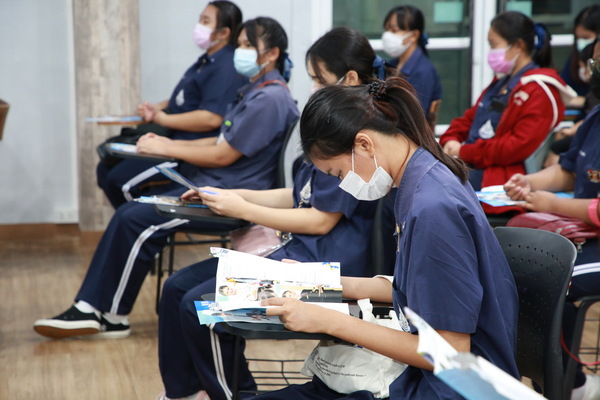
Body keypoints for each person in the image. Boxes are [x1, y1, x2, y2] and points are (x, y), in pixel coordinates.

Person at [155, 26, 391, 400]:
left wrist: (245, 208)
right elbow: (299, 196)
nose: (313, 87)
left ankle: (235, 394)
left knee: (201, 308)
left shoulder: (353, 140)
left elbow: (320, 219)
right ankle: (184, 391)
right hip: (298, 251)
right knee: (176, 288)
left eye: (319, 79)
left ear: (349, 79)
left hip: (324, 266)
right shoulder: (336, 127)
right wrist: (230, 195)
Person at [248, 77, 519, 400]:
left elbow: (450, 351)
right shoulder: (420, 179)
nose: (343, 184)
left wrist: (328, 320)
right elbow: (416, 290)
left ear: (364, 145)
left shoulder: (431, 208)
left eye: (338, 173)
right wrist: (325, 283)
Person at [33, 16, 299, 340]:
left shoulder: (270, 99)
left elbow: (223, 155)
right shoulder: (255, 91)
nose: (239, 51)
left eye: (247, 45)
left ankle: (105, 314)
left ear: (271, 53)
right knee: (130, 209)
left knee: (135, 218)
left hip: (229, 198)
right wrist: (164, 144)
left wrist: (168, 147)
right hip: (210, 186)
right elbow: (220, 141)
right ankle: (97, 309)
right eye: (240, 44)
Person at [504, 37, 600, 400]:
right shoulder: (595, 119)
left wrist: (553, 204)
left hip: (593, 239)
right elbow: (568, 171)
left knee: (551, 280)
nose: (593, 71)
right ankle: (558, 382)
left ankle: (570, 386)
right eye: (594, 63)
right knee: (513, 271)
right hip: (585, 236)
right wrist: (530, 183)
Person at [96, 1, 247, 209]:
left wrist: (163, 119)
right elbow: (184, 97)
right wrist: (156, 108)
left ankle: (135, 221)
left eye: (205, 21)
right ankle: (129, 219)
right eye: (200, 20)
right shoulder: (206, 60)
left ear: (223, 33)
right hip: (171, 138)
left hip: (188, 146)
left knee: (119, 181)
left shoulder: (226, 65)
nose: (199, 26)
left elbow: (211, 118)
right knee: (105, 167)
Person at [439, 11, 574, 214]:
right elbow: (469, 118)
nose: (490, 52)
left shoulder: (540, 90)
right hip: (475, 164)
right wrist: (451, 139)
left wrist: (464, 152)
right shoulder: (502, 82)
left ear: (518, 45)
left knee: (435, 191)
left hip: (501, 177)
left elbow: (516, 147)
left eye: (494, 45)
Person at [381, 5, 441, 125]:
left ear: (414, 35)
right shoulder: (393, 65)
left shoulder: (423, 72)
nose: (388, 35)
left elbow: (414, 117)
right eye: (387, 29)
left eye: (394, 30)